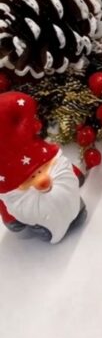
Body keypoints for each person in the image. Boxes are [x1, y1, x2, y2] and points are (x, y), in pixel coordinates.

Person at [0, 92, 87, 244]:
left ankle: (70, 206)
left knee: (56, 177)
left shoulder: (6, 106)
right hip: (14, 186)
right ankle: (37, 223)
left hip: (42, 159)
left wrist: (26, 127)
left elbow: (24, 102)